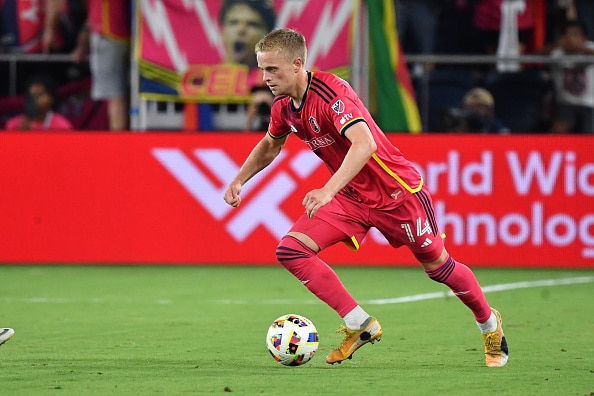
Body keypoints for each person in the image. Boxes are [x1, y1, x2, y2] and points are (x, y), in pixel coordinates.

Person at [223, 28, 509, 367]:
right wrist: (240, 179)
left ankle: (489, 324)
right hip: (351, 197)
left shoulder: (333, 94)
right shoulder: (284, 107)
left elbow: (365, 144)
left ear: (298, 64)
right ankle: (359, 323)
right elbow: (271, 144)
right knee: (291, 250)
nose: (265, 77)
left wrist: (327, 190)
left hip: (398, 194)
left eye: (272, 69)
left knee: (438, 266)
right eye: (262, 69)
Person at [72, 0, 131, 131]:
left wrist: (83, 42)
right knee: (117, 92)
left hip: (108, 31)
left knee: (114, 93)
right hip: (118, 30)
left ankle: (117, 142)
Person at [547, 19, 594, 133]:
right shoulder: (557, 52)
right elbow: (534, 56)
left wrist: (581, 48)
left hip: (591, 105)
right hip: (566, 105)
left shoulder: (591, 48)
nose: (571, 39)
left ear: (583, 38)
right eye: (567, 35)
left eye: (575, 35)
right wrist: (558, 44)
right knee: (559, 130)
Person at [220, 0, 276, 69]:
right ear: (223, 32)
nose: (241, 30)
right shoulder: (205, 78)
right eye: (233, 23)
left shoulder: (274, 79)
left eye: (252, 24)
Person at [5, 74, 73, 131]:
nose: (34, 99)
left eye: (39, 95)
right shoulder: (13, 125)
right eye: (32, 95)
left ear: (51, 99)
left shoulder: (63, 127)